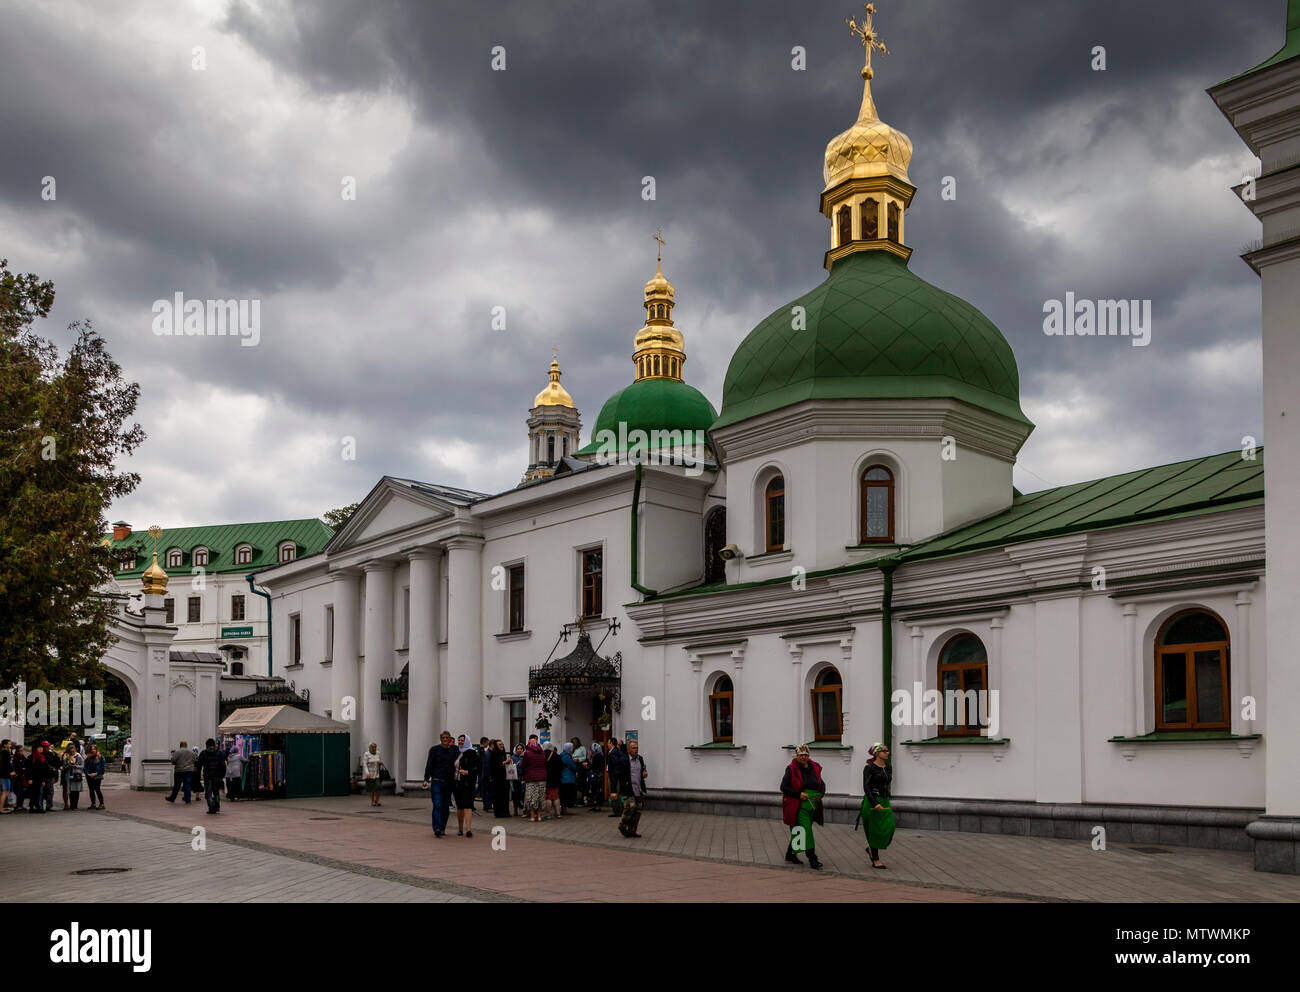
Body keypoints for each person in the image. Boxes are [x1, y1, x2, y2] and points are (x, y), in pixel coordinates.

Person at [781, 744, 825, 869]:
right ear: (797, 755)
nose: (803, 757)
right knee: (806, 831)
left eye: (806, 755)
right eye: (801, 755)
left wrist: (821, 794)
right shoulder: (791, 769)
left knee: (799, 830)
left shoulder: (814, 767)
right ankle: (813, 859)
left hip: (813, 803)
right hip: (798, 805)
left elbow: (821, 784)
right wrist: (799, 794)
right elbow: (783, 787)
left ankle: (790, 854)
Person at [862, 742, 894, 869]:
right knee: (875, 830)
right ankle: (875, 858)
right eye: (884, 751)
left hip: (885, 800)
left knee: (890, 826)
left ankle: (870, 848)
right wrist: (875, 803)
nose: (887, 753)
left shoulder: (888, 767)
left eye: (887, 750)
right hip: (872, 801)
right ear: (877, 753)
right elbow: (866, 786)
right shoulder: (869, 768)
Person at [422, 730, 459, 837]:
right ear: (440, 739)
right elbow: (429, 764)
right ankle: (436, 827)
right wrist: (426, 779)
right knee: (437, 804)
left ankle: (442, 827)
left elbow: (460, 759)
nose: (445, 740)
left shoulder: (454, 750)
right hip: (437, 781)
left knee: (445, 806)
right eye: (443, 738)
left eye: (447, 738)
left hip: (449, 782)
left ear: (450, 739)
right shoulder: (434, 750)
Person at [616, 739, 648, 838]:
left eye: (637, 748)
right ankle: (622, 825)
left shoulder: (640, 759)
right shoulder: (623, 760)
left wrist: (644, 773)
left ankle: (632, 830)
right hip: (628, 788)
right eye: (633, 748)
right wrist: (614, 790)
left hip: (638, 788)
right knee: (631, 807)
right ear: (628, 750)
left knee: (638, 810)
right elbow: (616, 774)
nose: (636, 750)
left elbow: (643, 770)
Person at [453, 732, 479, 836]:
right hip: (457, 782)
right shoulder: (456, 753)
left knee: (467, 805)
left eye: (462, 740)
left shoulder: (471, 753)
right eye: (459, 740)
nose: (460, 742)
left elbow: (477, 768)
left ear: (467, 741)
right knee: (459, 806)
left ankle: (468, 829)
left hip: (468, 783)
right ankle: (460, 829)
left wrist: (467, 772)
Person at [520, 735, 547, 822]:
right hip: (542, 778)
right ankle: (539, 816)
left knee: (531, 797)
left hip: (531, 778)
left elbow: (523, 766)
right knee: (540, 797)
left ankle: (532, 816)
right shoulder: (543, 752)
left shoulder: (527, 753)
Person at [198, 739, 227, 814]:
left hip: (208, 776)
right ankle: (217, 806)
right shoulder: (219, 753)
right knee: (216, 792)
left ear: (206, 745)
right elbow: (223, 766)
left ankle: (211, 807)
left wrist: (198, 775)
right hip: (217, 776)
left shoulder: (203, 753)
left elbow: (199, 766)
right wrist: (222, 776)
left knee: (208, 793)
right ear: (214, 745)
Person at [605, 739, 627, 818]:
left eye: (608, 743)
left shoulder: (613, 752)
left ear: (611, 744)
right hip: (617, 776)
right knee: (617, 793)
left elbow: (616, 763)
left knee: (614, 793)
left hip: (614, 776)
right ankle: (619, 811)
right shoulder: (616, 751)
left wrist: (614, 774)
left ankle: (617, 811)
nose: (607, 744)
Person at [490, 740, 511, 819]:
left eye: (502, 744)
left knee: (505, 795)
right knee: (498, 796)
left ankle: (505, 812)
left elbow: (504, 763)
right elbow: (495, 766)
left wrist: (508, 762)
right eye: (499, 744)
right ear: (495, 745)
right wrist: (505, 762)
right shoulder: (494, 754)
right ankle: (498, 813)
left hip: (505, 778)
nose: (501, 745)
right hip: (497, 779)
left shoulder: (503, 753)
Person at [360, 742, 384, 807]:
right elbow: (364, 764)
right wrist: (367, 773)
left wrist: (380, 763)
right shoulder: (366, 754)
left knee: (378, 787)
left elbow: (379, 760)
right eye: (372, 747)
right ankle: (373, 801)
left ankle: (377, 801)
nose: (374, 748)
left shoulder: (378, 753)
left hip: (377, 773)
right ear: (370, 747)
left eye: (375, 747)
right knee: (372, 789)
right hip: (369, 774)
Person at [543, 741, 563, 819]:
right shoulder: (556, 755)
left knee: (548, 797)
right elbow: (561, 766)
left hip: (547, 778)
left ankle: (548, 814)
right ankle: (558, 813)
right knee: (556, 796)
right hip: (556, 778)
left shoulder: (542, 755)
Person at [586, 741, 606, 812]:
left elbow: (593, 766)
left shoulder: (597, 756)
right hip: (599, 775)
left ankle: (597, 806)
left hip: (596, 776)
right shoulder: (600, 754)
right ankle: (596, 805)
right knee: (597, 790)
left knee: (596, 790)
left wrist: (587, 765)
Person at [559, 741, 579, 811]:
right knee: (567, 795)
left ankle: (564, 809)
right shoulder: (566, 756)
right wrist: (575, 764)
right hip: (568, 778)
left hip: (563, 778)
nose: (573, 749)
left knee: (564, 795)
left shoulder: (562, 755)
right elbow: (572, 766)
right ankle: (564, 809)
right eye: (572, 747)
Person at [477, 736, 493, 814]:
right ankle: (487, 806)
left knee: (482, 789)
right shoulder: (482, 751)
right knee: (483, 790)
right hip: (482, 773)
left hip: (481, 773)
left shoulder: (482, 750)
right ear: (484, 742)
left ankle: (485, 805)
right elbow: (482, 763)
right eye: (487, 742)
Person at [509, 744, 526, 815]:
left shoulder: (525, 757)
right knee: (515, 795)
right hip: (514, 779)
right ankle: (515, 810)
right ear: (515, 750)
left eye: (521, 749)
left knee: (523, 795)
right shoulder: (512, 757)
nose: (519, 750)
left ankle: (525, 810)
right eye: (518, 749)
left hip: (523, 779)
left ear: (523, 749)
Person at [572, 737, 587, 805]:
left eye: (574, 742)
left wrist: (578, 759)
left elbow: (585, 757)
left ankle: (583, 799)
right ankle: (575, 799)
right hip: (574, 766)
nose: (573, 744)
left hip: (580, 766)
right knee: (575, 784)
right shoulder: (573, 749)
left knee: (581, 783)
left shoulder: (582, 748)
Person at [0, 740, 12, 814]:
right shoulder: (6, 752)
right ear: (5, 745)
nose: (10, 745)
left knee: (2, 792)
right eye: (9, 744)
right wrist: (11, 771)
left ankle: (1, 807)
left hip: (2, 775)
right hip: (5, 775)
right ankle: (1, 808)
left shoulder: (2, 752)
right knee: (5, 792)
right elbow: (7, 764)